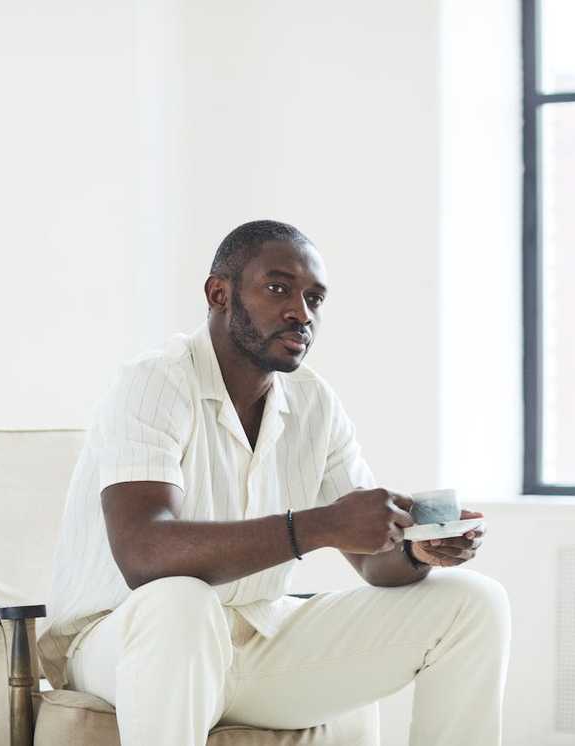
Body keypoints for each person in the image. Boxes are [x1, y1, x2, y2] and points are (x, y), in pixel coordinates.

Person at [35, 220, 510, 745]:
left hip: (258, 639)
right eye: (278, 288)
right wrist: (319, 526)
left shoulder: (315, 401)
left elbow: (373, 562)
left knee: (474, 602)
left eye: (314, 299)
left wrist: (417, 550)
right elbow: (143, 553)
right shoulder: (155, 381)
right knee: (180, 602)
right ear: (219, 294)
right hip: (125, 641)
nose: (301, 313)